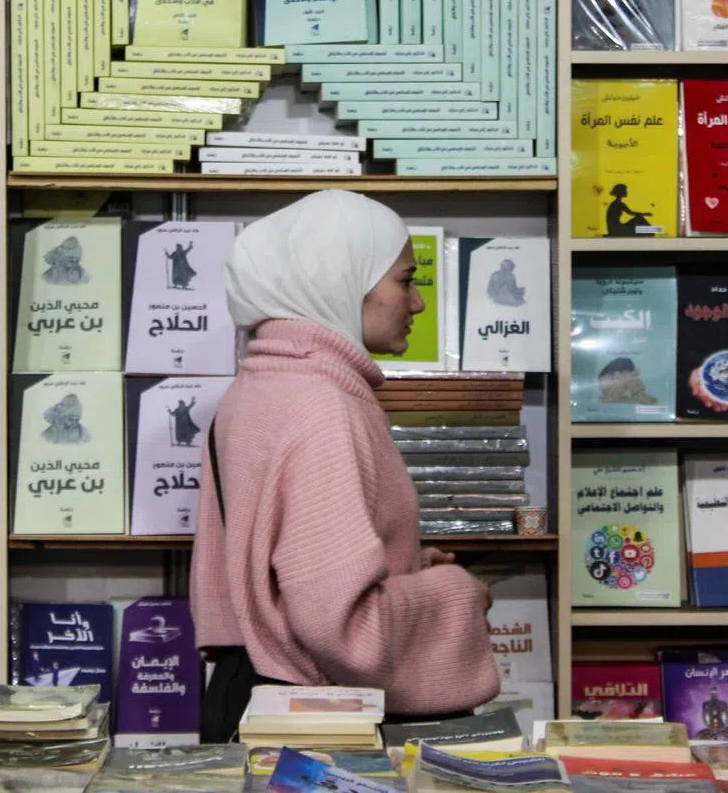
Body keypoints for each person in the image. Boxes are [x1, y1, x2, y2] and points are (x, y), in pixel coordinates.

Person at [190, 190, 499, 743]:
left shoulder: (258, 387)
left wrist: (399, 561)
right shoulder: (321, 403)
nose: (418, 302)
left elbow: (271, 569)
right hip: (320, 726)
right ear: (340, 279)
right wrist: (458, 593)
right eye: (405, 280)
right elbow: (342, 626)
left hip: (251, 699)